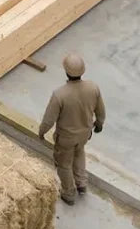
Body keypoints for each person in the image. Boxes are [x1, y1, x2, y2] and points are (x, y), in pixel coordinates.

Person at [37, 52, 106, 205]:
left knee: (64, 164)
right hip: (84, 134)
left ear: (66, 71)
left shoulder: (59, 95)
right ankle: (81, 183)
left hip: (66, 138)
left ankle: (68, 193)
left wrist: (41, 133)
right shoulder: (93, 87)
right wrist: (99, 124)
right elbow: (100, 111)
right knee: (79, 152)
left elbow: (49, 120)